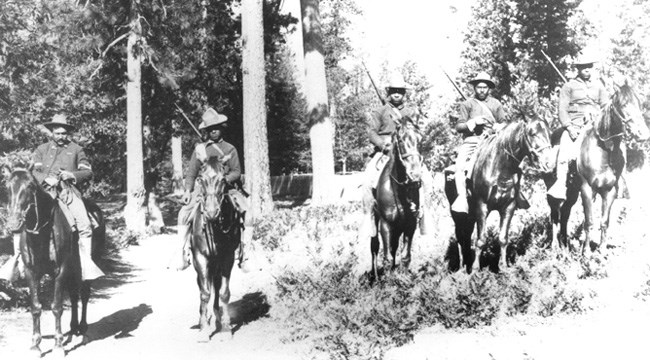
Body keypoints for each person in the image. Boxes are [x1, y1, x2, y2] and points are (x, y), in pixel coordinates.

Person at [0, 114, 104, 281]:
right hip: (44, 191)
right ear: (52, 133)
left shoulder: (77, 149)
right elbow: (32, 171)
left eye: (64, 133)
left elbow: (87, 172)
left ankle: (86, 265)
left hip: (67, 192)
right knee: (21, 219)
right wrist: (44, 178)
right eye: (58, 133)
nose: (61, 137)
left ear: (68, 133)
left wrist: (70, 174)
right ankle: (18, 263)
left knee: (84, 224)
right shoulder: (42, 149)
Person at [172, 107, 249, 271]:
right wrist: (187, 191)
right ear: (206, 131)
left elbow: (236, 171)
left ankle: (246, 253)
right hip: (203, 191)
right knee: (183, 214)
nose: (213, 131)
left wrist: (222, 181)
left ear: (221, 128)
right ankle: (182, 252)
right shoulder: (200, 149)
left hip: (226, 189)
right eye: (210, 129)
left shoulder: (230, 149)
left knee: (248, 213)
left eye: (216, 128)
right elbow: (191, 173)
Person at [359, 73, 431, 238]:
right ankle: (368, 216)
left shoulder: (411, 112)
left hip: (406, 150)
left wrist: (411, 141)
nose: (397, 93)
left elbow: (419, 131)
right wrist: (382, 144)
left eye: (400, 91)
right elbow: (371, 132)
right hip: (384, 150)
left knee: (427, 180)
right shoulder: (380, 111)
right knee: (367, 180)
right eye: (394, 90)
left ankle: (423, 215)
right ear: (389, 92)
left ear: (404, 93)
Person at [547, 54, 608, 200]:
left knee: (614, 146)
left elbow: (605, 106)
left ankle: (619, 180)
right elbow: (562, 109)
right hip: (575, 125)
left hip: (596, 125)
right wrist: (569, 127)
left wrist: (597, 114)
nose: (587, 70)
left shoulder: (599, 86)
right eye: (584, 67)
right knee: (565, 150)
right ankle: (561, 184)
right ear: (578, 69)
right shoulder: (568, 86)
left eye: (589, 67)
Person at [451, 71, 508, 214]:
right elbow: (459, 127)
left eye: (484, 87)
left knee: (510, 163)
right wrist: (473, 122)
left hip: (492, 140)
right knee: (459, 167)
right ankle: (462, 197)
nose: (482, 90)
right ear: (474, 88)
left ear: (489, 88)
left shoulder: (496, 104)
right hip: (472, 141)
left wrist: (497, 127)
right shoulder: (467, 104)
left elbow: (504, 124)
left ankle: (515, 195)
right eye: (479, 87)